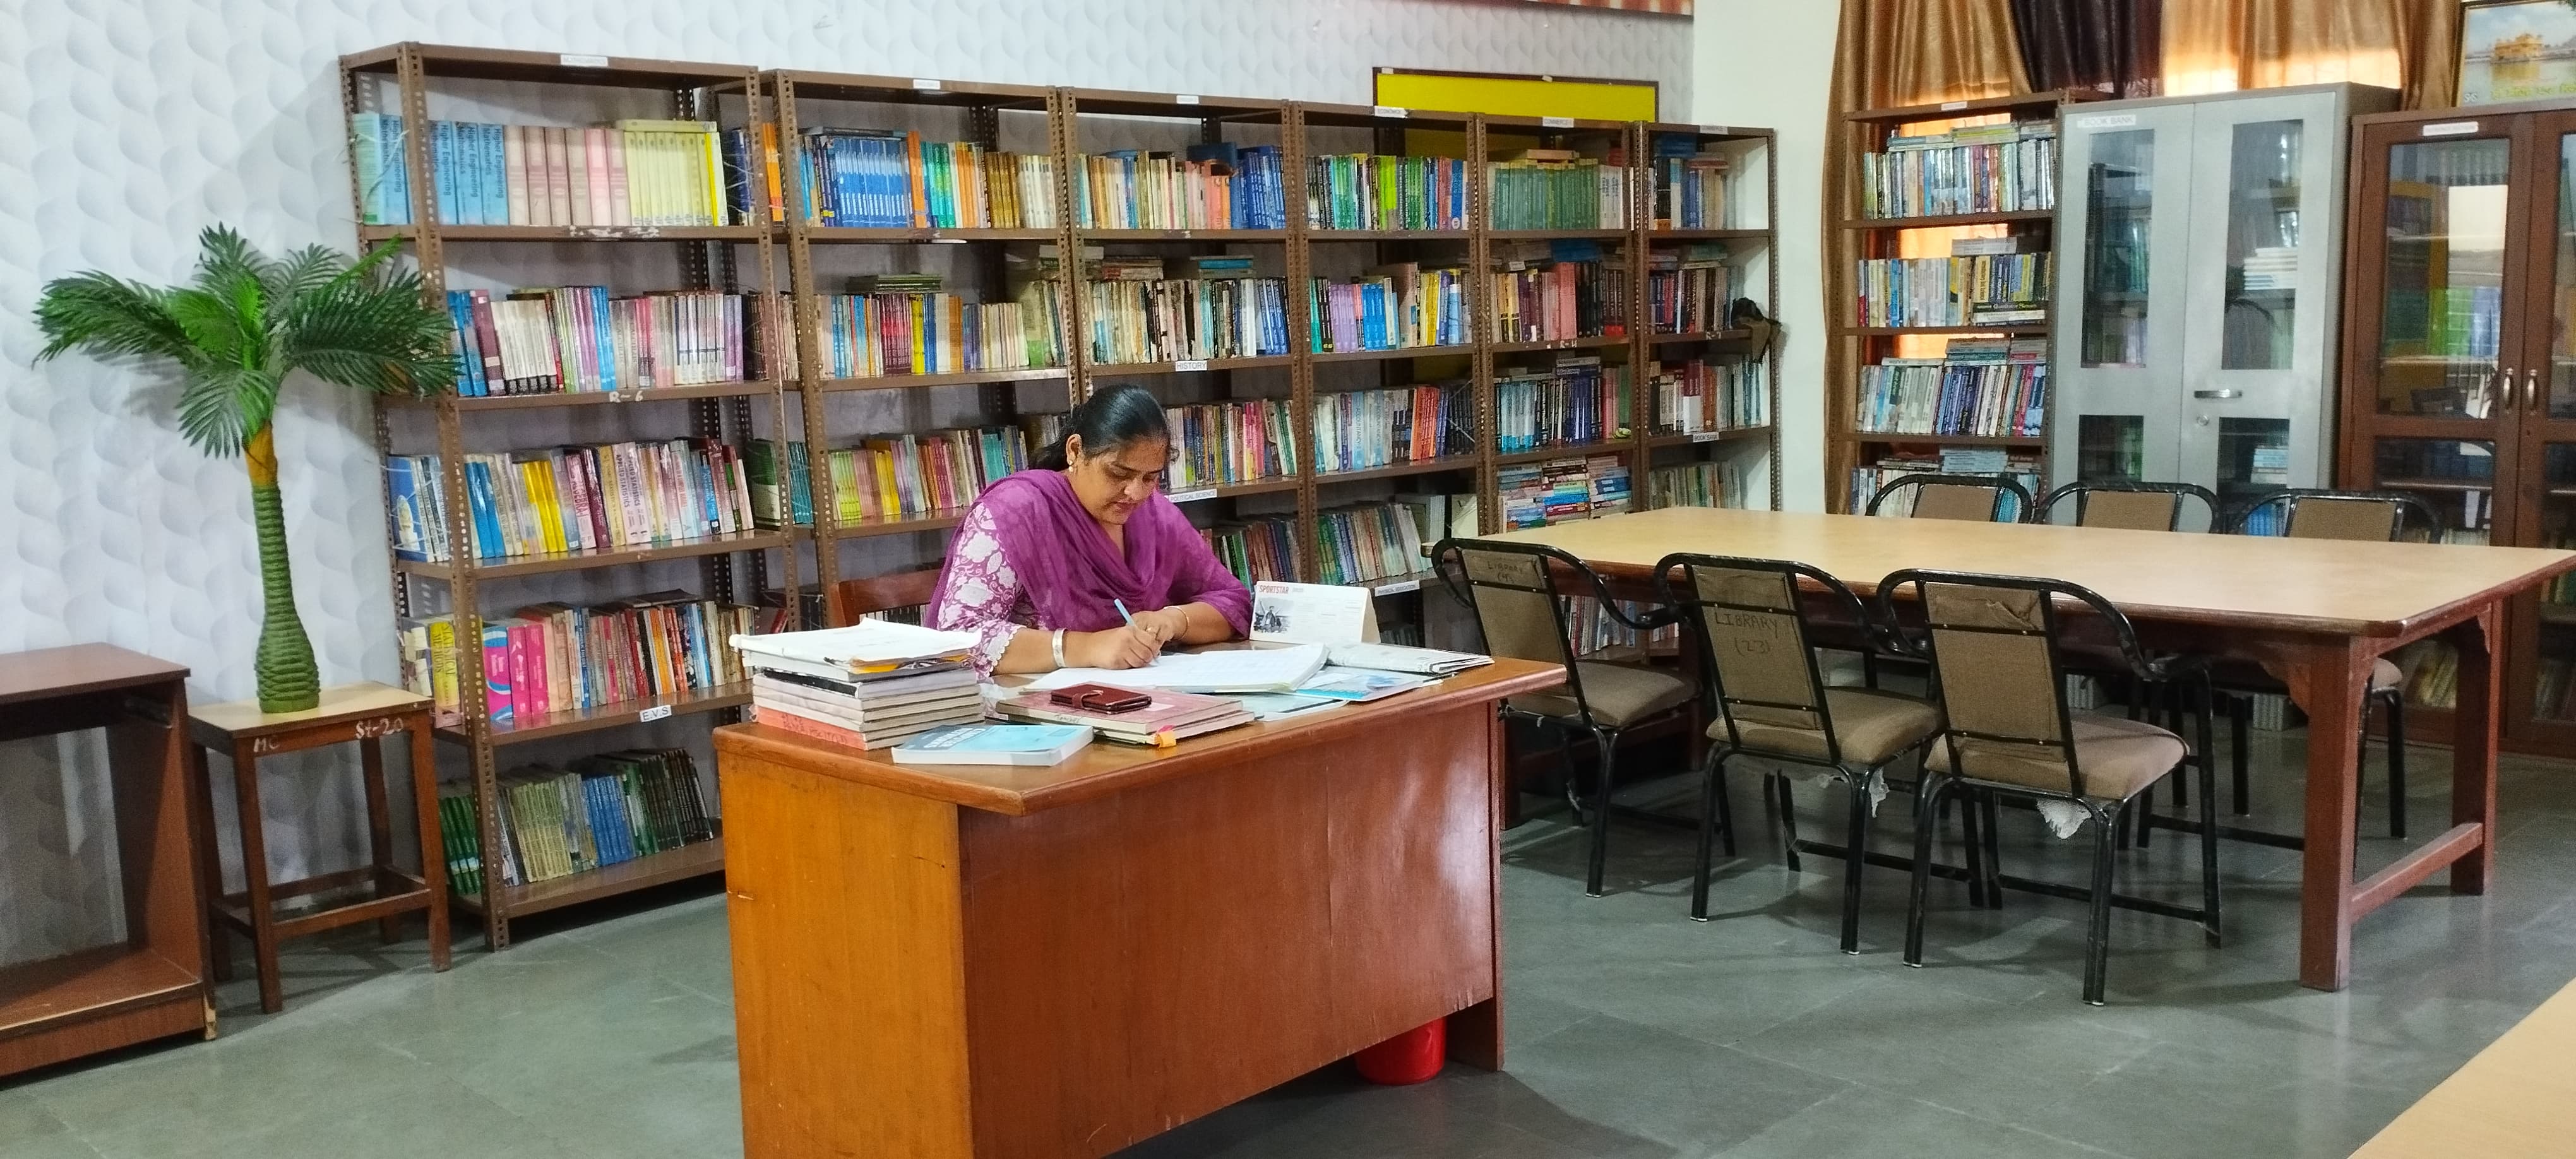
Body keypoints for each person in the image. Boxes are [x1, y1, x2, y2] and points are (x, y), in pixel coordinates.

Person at [928, 383, 1252, 676]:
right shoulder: (1016, 511)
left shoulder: (1153, 516)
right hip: (1029, 709)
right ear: (1075, 451)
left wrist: (1172, 620)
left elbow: (1233, 603)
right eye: (1118, 474)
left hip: (1139, 698)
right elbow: (958, 638)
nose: (1135, 493)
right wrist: (1086, 648)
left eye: (1150, 477)